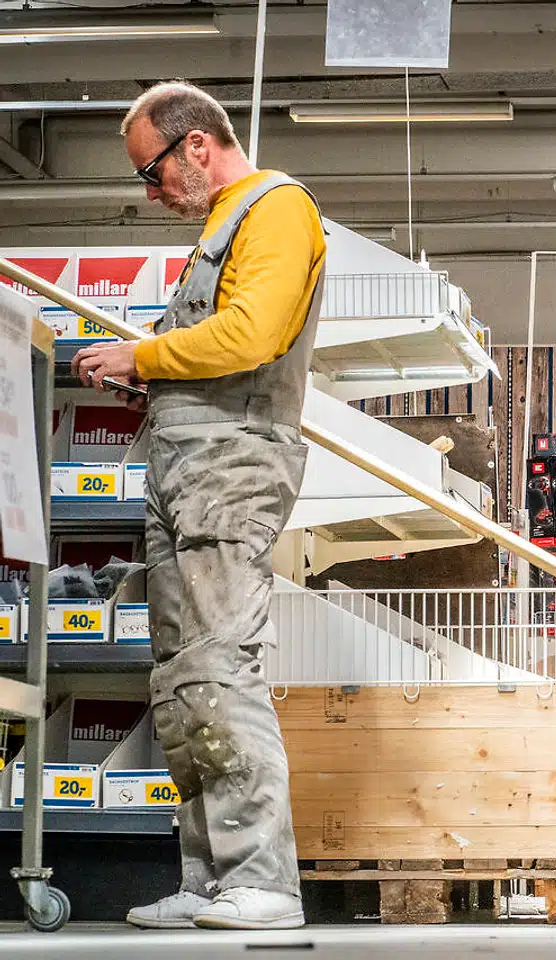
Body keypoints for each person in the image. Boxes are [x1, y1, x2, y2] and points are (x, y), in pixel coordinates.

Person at [71, 81, 326, 931]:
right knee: (181, 680)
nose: (151, 195)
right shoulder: (221, 228)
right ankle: (210, 876)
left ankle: (265, 882)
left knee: (220, 666)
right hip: (185, 466)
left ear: (197, 146)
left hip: (230, 465)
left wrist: (142, 356)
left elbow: (253, 333)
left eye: (152, 172)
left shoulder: (276, 211)